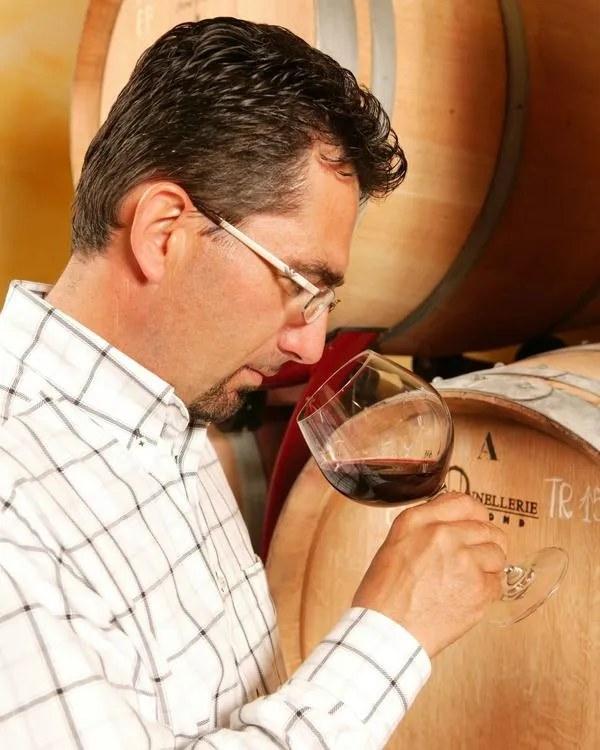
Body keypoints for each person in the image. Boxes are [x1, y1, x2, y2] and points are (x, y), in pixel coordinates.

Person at [0, 17, 507, 749]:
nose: (309, 344)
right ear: (163, 232)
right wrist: (392, 634)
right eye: (299, 284)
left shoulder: (167, 407)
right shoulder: (14, 506)